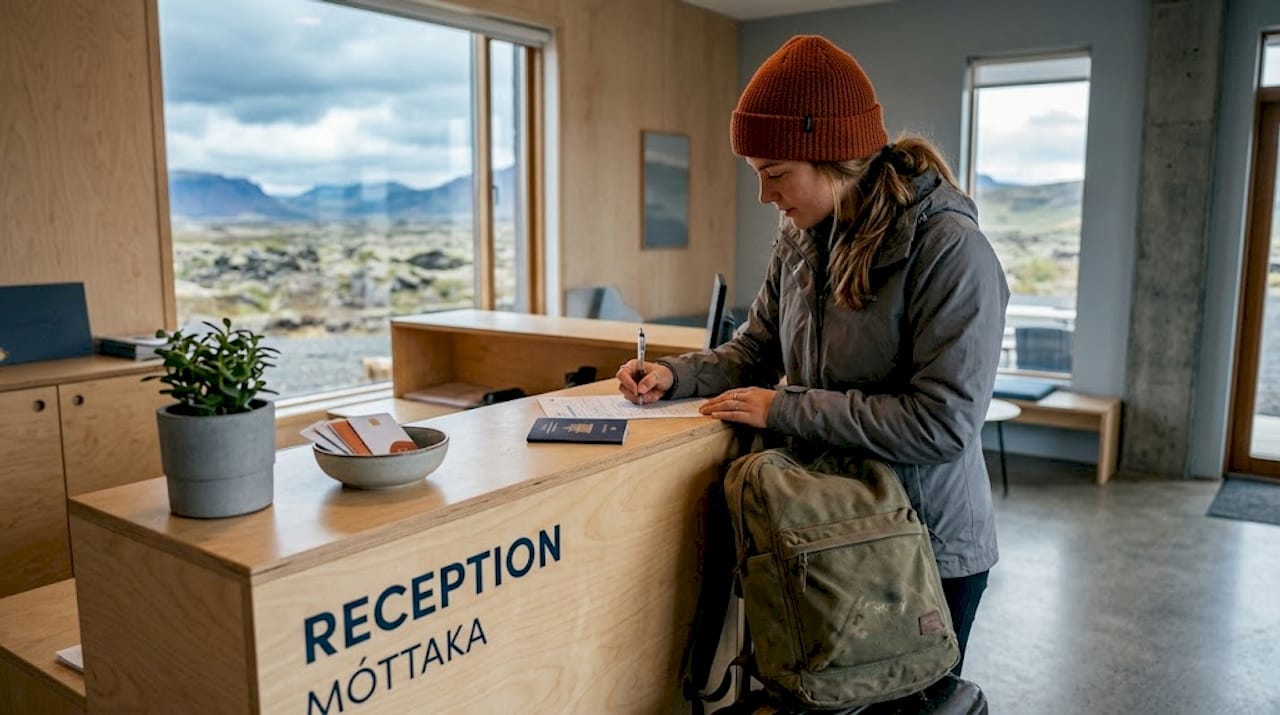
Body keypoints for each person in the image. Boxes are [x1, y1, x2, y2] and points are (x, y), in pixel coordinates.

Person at [617, 35, 1008, 675]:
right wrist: (673, 374)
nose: (766, 197)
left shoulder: (952, 251)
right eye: (757, 175)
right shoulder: (802, 234)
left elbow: (941, 425)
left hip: (923, 548)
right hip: (828, 530)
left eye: (776, 174)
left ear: (836, 159)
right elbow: (757, 348)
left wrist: (785, 409)